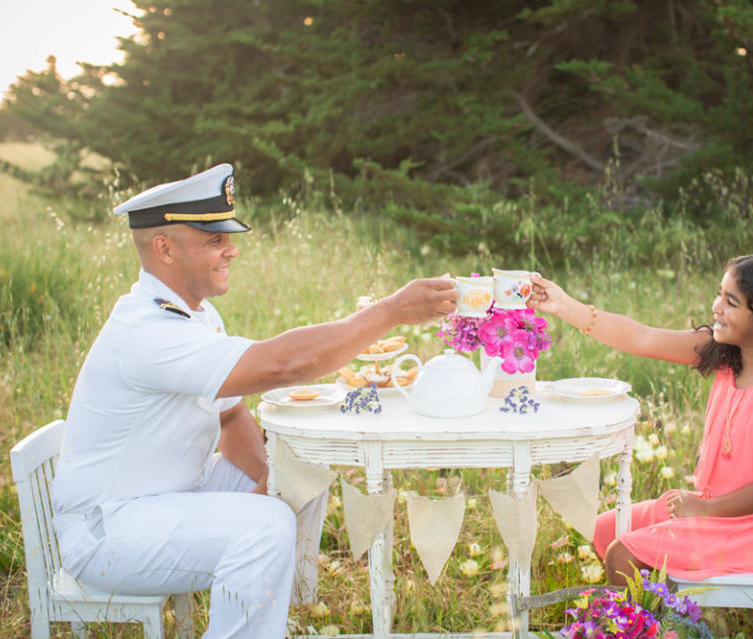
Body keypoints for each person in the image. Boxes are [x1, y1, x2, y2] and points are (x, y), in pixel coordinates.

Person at [50, 163, 457, 638]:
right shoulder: (146, 331)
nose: (232, 249)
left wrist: (271, 479)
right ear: (164, 248)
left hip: (166, 497)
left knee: (298, 469)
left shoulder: (196, 316)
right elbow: (283, 365)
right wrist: (391, 312)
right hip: (110, 533)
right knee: (263, 528)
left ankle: (277, 618)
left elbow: (232, 415)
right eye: (213, 240)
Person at [527, 253, 753, 583]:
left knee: (621, 554)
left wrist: (706, 510)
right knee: (605, 528)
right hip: (714, 511)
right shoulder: (724, 353)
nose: (716, 307)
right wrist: (563, 304)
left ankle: (644, 628)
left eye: (731, 302)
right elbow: (642, 337)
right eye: (719, 295)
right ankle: (664, 614)